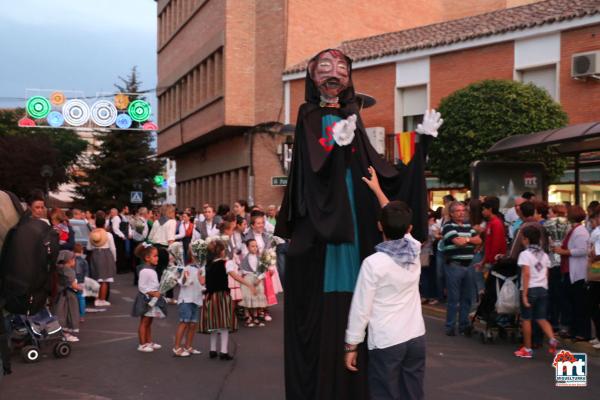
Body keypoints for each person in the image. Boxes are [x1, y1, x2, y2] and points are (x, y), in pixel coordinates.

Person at [276, 48, 440, 400]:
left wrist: (420, 146)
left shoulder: (352, 113)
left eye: (341, 69)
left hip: (356, 217)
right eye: (325, 68)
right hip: (322, 216)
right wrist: (332, 144)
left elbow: (380, 169)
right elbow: (313, 164)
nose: (334, 74)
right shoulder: (308, 114)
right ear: (311, 74)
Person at [344, 201, 426, 400]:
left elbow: (361, 308)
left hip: (386, 339)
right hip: (416, 335)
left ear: (380, 225)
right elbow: (399, 224)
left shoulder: (374, 263)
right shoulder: (414, 250)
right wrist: (379, 191)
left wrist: (351, 345)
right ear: (410, 229)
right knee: (413, 393)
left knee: (385, 394)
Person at [199, 240, 255, 360]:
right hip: (222, 296)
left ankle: (212, 350)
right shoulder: (226, 263)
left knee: (213, 324)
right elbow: (235, 276)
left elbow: (202, 281)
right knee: (224, 324)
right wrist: (248, 284)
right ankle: (223, 351)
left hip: (210, 296)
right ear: (221, 251)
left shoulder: (207, 264)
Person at [514, 226, 559, 358]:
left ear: (526, 239)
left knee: (526, 319)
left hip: (530, 289)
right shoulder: (544, 255)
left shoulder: (525, 254)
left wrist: (524, 294)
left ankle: (527, 349)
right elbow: (546, 273)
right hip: (543, 289)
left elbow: (526, 274)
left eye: (522, 238)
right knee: (541, 318)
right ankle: (552, 339)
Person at [441, 201, 481, 336]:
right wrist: (470, 239)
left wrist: (467, 240)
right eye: (458, 211)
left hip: (468, 265)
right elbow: (457, 242)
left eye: (463, 210)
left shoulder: (468, 226)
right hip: (454, 266)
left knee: (467, 298)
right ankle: (450, 326)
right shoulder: (448, 226)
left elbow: (479, 240)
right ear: (451, 214)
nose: (461, 213)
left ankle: (464, 326)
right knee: (454, 298)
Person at [552, 205, 591, 340]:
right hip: (569, 270)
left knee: (578, 303)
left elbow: (582, 250)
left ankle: (582, 332)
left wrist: (564, 252)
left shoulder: (580, 231)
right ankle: (574, 330)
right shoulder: (574, 229)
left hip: (576, 272)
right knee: (571, 302)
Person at [131, 244, 166, 353]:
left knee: (149, 321)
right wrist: (153, 293)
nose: (157, 258)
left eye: (157, 256)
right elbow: (142, 286)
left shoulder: (151, 269)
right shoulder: (145, 270)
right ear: (147, 258)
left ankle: (148, 341)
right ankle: (142, 344)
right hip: (146, 299)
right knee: (144, 322)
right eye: (155, 256)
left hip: (152, 298)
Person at [173, 251, 205, 357]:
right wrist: (185, 278)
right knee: (184, 323)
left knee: (193, 324)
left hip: (196, 299)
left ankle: (188, 346)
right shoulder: (185, 268)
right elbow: (180, 281)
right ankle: (177, 347)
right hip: (186, 299)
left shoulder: (201, 268)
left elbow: (202, 282)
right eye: (196, 255)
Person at [147, 204, 177, 301]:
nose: (175, 213)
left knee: (158, 272)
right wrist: (172, 254)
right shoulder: (172, 222)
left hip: (155, 248)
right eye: (173, 211)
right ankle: (169, 296)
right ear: (170, 212)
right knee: (169, 272)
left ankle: (157, 294)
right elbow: (170, 239)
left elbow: (150, 238)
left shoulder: (156, 222)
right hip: (165, 249)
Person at [87, 211, 116, 307]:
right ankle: (102, 300)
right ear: (104, 223)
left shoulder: (92, 234)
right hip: (106, 255)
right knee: (104, 279)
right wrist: (114, 259)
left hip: (95, 254)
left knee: (96, 278)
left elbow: (88, 248)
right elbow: (113, 248)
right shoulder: (108, 235)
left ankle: (96, 299)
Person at [53, 250, 81, 342]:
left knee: (61, 312)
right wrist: (83, 288)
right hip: (69, 295)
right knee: (69, 313)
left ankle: (62, 332)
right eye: (74, 260)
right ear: (70, 260)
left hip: (60, 294)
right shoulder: (69, 271)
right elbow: (73, 285)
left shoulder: (59, 268)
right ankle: (66, 334)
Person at [239, 239, 268, 327]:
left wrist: (259, 279)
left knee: (256, 297)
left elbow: (263, 270)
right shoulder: (245, 259)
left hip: (257, 279)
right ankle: (247, 316)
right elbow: (242, 271)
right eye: (252, 246)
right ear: (247, 248)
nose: (255, 248)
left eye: (256, 246)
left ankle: (255, 316)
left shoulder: (260, 258)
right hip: (248, 279)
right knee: (248, 296)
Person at [586, 206, 600, 350]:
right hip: (596, 272)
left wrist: (591, 253)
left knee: (593, 305)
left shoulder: (597, 232)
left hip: (597, 272)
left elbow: (596, 254)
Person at [73, 244, 89, 321]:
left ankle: (74, 315)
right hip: (82, 282)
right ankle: (82, 316)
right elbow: (86, 272)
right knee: (81, 299)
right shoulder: (84, 261)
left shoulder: (71, 260)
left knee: (73, 299)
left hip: (73, 281)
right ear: (81, 251)